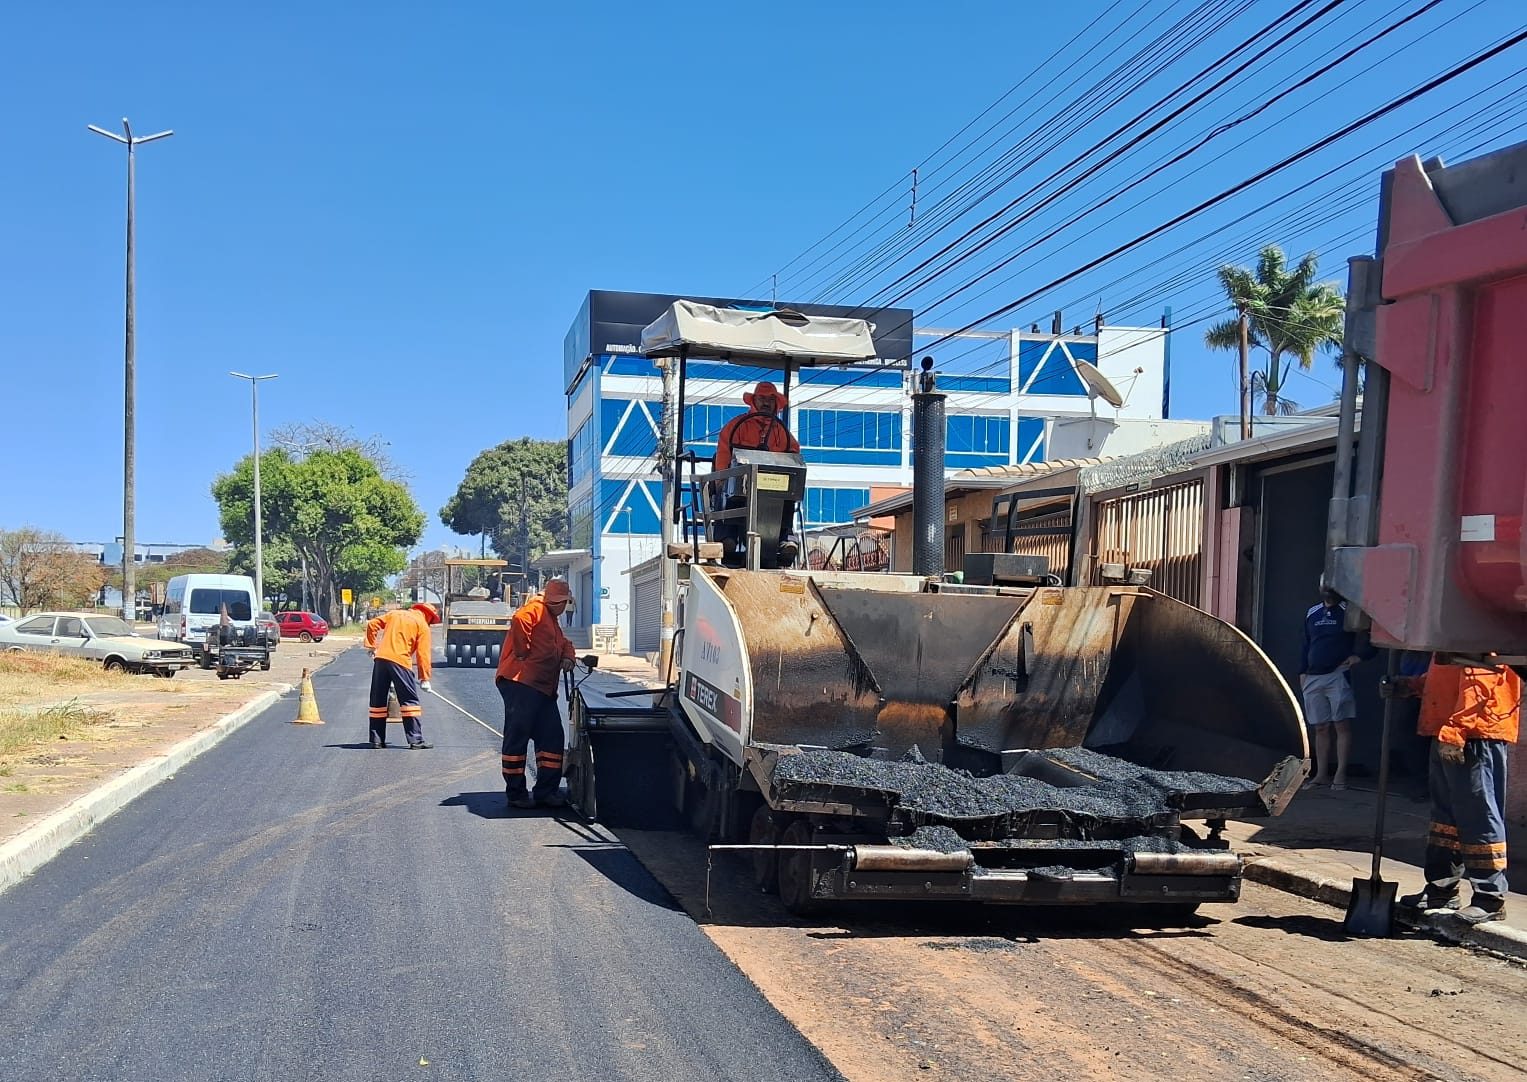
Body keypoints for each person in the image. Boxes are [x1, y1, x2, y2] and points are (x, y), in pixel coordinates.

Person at [1390, 655, 1519, 925]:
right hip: (1449, 728)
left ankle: (1490, 897)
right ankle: (1441, 888)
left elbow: (1483, 681)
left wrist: (1457, 730)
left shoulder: (1480, 628)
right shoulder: (1453, 632)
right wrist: (1414, 685)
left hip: (1475, 733)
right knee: (1445, 818)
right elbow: (1448, 674)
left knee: (1478, 815)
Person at [495, 579, 576, 809]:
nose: (561, 606)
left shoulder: (552, 621)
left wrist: (568, 656)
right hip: (521, 684)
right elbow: (519, 620)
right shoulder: (536, 608)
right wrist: (522, 651)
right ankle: (516, 792)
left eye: (564, 603)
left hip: (542, 688)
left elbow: (564, 643)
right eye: (559, 602)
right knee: (518, 736)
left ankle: (546, 791)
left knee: (552, 737)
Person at [1298, 588, 1372, 790]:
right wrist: (1302, 671)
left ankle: (1340, 774)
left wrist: (1361, 656)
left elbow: (1370, 637)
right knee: (1319, 726)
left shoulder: (1349, 612)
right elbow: (1305, 644)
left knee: (1341, 724)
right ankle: (1321, 774)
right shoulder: (1312, 612)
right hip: (1313, 676)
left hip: (1338, 674)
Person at [363, 602, 439, 749]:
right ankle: (415, 740)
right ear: (428, 616)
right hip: (401, 662)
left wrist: (372, 646)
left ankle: (376, 740)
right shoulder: (422, 625)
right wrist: (425, 678)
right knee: (409, 701)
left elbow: (372, 624)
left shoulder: (395, 614)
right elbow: (423, 655)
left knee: (377, 701)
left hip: (381, 659)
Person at [712, 381, 799, 472]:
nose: (766, 403)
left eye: (771, 399)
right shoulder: (736, 426)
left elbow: (794, 456)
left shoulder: (782, 431)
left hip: (773, 482)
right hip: (740, 481)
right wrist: (722, 480)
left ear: (776, 403)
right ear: (754, 400)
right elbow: (723, 454)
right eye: (762, 398)